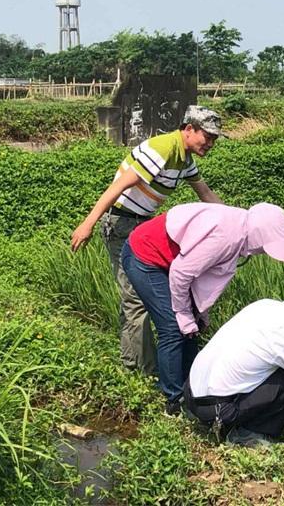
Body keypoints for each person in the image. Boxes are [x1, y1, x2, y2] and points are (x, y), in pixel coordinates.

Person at [70, 105, 224, 376]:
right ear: (189, 129)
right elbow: (118, 186)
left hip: (143, 228)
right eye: (207, 136)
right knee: (135, 298)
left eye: (214, 139)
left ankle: (154, 364)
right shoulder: (163, 148)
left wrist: (241, 222)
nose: (210, 143)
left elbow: (206, 193)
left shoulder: (184, 160)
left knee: (163, 292)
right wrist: (87, 223)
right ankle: (136, 371)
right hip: (122, 223)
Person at [121, 202, 284, 414]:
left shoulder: (239, 231)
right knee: (172, 329)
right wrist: (184, 313)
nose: (260, 252)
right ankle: (173, 401)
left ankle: (191, 389)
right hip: (145, 255)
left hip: (169, 263)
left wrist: (199, 313)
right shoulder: (227, 237)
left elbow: (202, 275)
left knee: (191, 329)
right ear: (259, 234)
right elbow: (182, 273)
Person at [185, 271, 284, 447]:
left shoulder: (265, 306)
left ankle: (222, 422)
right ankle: (248, 436)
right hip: (216, 410)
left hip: (192, 394)